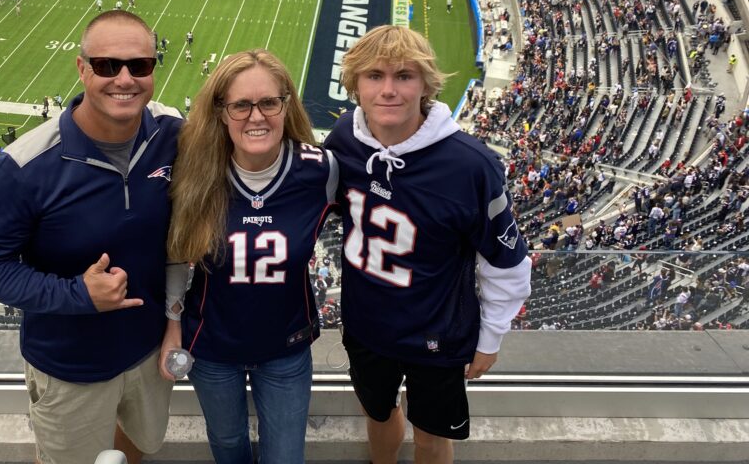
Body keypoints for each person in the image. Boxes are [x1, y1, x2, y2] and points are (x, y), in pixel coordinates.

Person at [0, 11, 182, 464]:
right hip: (70, 365)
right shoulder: (24, 165)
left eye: (139, 65)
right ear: (82, 69)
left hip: (149, 349)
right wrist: (78, 294)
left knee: (140, 443)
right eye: (107, 65)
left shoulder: (172, 132)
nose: (125, 79)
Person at [324, 25, 531, 464]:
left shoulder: (470, 166)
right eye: (375, 76)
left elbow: (506, 261)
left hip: (438, 333)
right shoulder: (344, 138)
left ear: (426, 85)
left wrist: (491, 337)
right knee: (378, 414)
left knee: (432, 437)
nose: (388, 90)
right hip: (366, 325)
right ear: (355, 84)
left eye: (404, 76)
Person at [161, 49, 337, 464]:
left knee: (286, 456)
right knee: (227, 443)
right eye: (241, 105)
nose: (256, 116)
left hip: (286, 344)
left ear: (286, 105)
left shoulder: (321, 171)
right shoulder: (196, 172)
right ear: (221, 112)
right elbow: (176, 252)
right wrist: (172, 324)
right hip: (211, 343)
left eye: (269, 102)